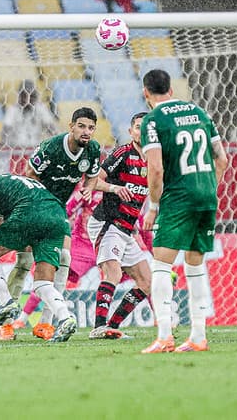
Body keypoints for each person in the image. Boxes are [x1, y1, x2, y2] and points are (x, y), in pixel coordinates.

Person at [140, 68, 228, 353]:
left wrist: (153, 207)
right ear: (171, 89)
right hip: (206, 194)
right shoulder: (200, 113)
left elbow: (155, 169)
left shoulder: (153, 120)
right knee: (195, 265)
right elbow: (223, 160)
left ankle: (165, 334)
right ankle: (198, 336)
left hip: (178, 197)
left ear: (145, 93)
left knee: (162, 265)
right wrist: (205, 187)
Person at [5, 107, 101, 340]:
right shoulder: (50, 148)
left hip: (57, 211)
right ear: (71, 126)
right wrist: (38, 205)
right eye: (81, 126)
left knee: (63, 260)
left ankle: (44, 324)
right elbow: (29, 174)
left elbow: (93, 175)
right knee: (25, 262)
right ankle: (6, 322)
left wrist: (88, 187)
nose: (86, 131)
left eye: (90, 128)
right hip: (32, 204)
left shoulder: (93, 150)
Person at [0, 163, 78, 343]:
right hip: (57, 217)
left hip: (29, 215)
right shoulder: (16, 184)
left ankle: (7, 304)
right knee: (42, 283)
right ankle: (65, 318)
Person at [87, 112, 152, 339]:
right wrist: (114, 189)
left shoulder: (154, 160)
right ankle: (99, 326)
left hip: (126, 228)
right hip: (107, 221)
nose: (141, 131)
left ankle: (111, 327)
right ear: (130, 131)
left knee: (146, 282)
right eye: (137, 127)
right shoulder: (123, 153)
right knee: (112, 271)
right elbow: (94, 181)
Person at [2, 80, 58, 149]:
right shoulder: (13, 109)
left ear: (35, 97)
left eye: (31, 96)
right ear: (19, 96)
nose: (27, 100)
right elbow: (6, 130)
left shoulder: (41, 108)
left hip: (36, 148)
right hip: (16, 149)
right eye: (24, 95)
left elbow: (51, 128)